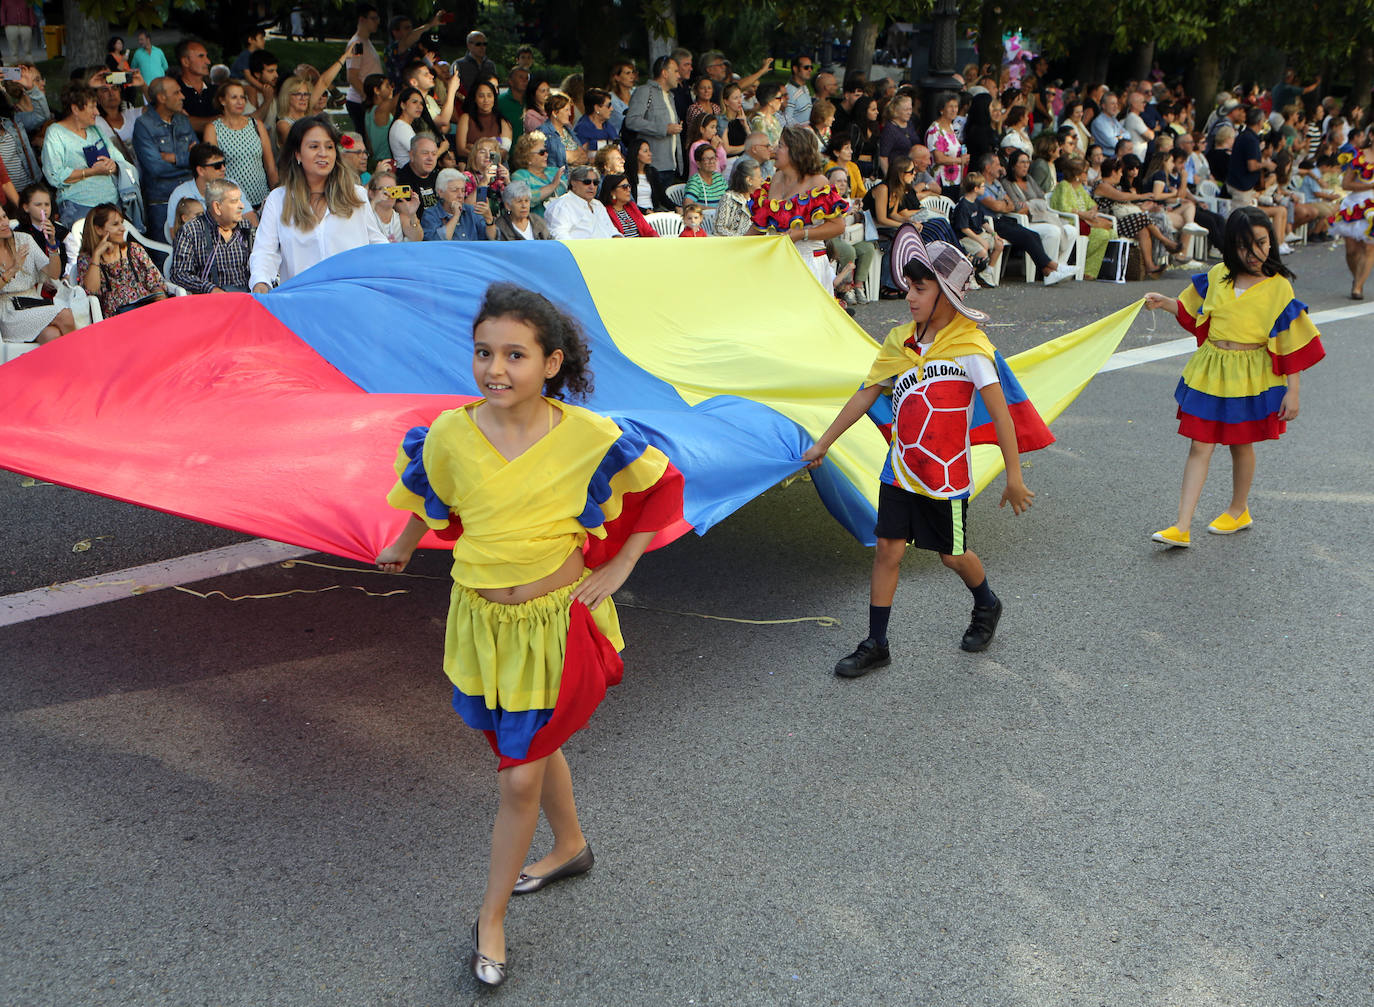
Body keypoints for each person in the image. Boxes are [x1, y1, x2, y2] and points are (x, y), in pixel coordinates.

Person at [375, 282, 682, 989]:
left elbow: (662, 489)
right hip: (482, 624)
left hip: (556, 624)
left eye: (516, 354)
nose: (495, 368)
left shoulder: (587, 435)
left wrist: (623, 567)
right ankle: (570, 844)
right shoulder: (452, 431)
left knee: (519, 773)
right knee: (533, 747)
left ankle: (489, 917)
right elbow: (433, 492)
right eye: (484, 352)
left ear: (552, 362)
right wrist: (402, 541)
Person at [801, 237, 1041, 674]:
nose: (909, 297)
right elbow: (865, 394)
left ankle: (987, 603)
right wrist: (824, 443)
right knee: (888, 550)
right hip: (900, 470)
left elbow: (1003, 417)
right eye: (908, 287)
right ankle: (876, 642)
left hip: (945, 478)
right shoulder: (898, 342)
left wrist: (1014, 476)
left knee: (952, 555)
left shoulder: (971, 348)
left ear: (946, 295)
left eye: (920, 289)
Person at [1142, 207, 1324, 548]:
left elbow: (1290, 342)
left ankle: (1239, 509)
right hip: (1211, 370)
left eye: (1261, 243)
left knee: (1241, 445)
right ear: (1230, 247)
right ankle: (1182, 525)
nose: (1254, 253)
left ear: (1271, 242)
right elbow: (1191, 310)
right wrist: (1165, 302)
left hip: (1251, 374)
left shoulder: (1278, 287)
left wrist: (1293, 392)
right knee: (1200, 443)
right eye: (1244, 246)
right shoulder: (1218, 275)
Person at [249, 116, 386, 291]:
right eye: (314, 146)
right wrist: (261, 282)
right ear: (297, 154)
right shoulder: (278, 199)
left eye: (329, 147)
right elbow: (264, 252)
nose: (323, 153)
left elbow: (377, 243)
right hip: (300, 304)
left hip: (350, 300)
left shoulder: (356, 195)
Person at [746, 125, 847, 289]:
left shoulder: (817, 182)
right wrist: (734, 246)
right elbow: (759, 226)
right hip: (779, 261)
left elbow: (839, 226)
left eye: (780, 145)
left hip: (809, 262)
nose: (774, 150)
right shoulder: (776, 179)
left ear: (796, 151)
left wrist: (803, 234)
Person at [43, 83, 136, 228]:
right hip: (79, 207)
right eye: (92, 107)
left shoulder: (95, 130)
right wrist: (91, 172)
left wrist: (114, 166)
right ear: (75, 109)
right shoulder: (56, 133)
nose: (97, 112)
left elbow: (119, 160)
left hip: (112, 205)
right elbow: (54, 175)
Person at [76, 203, 167, 315]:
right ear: (99, 230)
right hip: (117, 319)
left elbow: (155, 282)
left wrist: (159, 296)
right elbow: (91, 291)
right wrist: (96, 255)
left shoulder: (134, 250)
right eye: (115, 224)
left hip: (146, 309)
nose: (122, 229)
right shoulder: (87, 259)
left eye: (121, 223)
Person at [169, 177, 255, 293]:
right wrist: (211, 289)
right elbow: (179, 274)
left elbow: (263, 264)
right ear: (217, 207)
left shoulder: (246, 228)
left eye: (240, 200)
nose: (242, 206)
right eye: (234, 201)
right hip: (211, 304)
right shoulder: (191, 231)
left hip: (247, 299)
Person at [0, 211, 72, 345]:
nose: (5, 223)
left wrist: (52, 244)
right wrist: (14, 268)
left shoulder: (23, 239)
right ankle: (84, 359)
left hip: (33, 301)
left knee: (52, 335)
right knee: (64, 314)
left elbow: (53, 273)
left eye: (4, 216)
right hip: (8, 311)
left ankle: (63, 365)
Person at [204, 79, 276, 209]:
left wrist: (277, 195)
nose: (240, 101)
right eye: (234, 97)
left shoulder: (256, 125)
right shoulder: (213, 129)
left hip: (262, 199)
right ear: (222, 101)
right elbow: (212, 171)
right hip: (231, 203)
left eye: (243, 97)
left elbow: (270, 166)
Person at [1048, 156, 1111, 279]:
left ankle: (1088, 269)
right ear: (1077, 174)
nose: (1087, 175)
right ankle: (1082, 268)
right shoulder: (1064, 186)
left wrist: (1092, 211)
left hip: (1083, 221)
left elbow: (1091, 204)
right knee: (1102, 234)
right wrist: (1084, 215)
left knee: (1111, 232)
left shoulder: (1080, 188)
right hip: (1070, 222)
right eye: (1085, 172)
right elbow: (1063, 208)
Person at [1330, 128, 1374, 298]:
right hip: (1355, 203)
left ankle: (1358, 286)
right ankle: (1357, 278)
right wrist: (1370, 186)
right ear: (1371, 136)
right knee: (1351, 250)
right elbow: (1346, 185)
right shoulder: (1358, 156)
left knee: (1369, 248)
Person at [625, 56, 683, 180]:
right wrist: (664, 129)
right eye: (676, 71)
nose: (679, 75)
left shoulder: (670, 96)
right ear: (665, 73)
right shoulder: (645, 91)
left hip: (671, 166)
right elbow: (632, 121)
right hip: (652, 165)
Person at [825, 165, 875, 303]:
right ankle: (845, 288)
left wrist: (857, 213)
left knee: (867, 248)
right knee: (848, 251)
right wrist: (847, 212)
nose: (842, 184)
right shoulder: (826, 199)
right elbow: (828, 219)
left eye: (844, 181)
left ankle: (858, 286)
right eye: (838, 181)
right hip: (830, 237)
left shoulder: (848, 200)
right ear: (828, 182)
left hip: (849, 236)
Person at [951, 173, 1004, 282]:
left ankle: (987, 271)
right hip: (966, 237)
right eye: (983, 186)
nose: (985, 189)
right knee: (982, 252)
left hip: (978, 234)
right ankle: (970, 277)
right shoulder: (963, 206)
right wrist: (981, 241)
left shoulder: (976, 203)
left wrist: (994, 234)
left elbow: (983, 222)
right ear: (976, 188)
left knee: (999, 244)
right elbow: (964, 228)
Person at [342, 3, 384, 136]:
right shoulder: (357, 44)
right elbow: (352, 76)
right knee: (365, 139)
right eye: (373, 18)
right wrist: (368, 98)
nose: (377, 22)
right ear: (362, 20)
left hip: (368, 101)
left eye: (377, 18)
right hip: (360, 102)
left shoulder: (366, 42)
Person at [545, 165, 618, 239]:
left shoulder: (598, 205)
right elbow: (560, 237)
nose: (592, 187)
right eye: (587, 182)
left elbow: (613, 232)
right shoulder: (562, 205)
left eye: (595, 183)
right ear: (573, 183)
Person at [422, 167, 495, 240]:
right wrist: (456, 216)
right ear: (440, 192)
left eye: (463, 190)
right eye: (454, 190)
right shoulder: (430, 214)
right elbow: (437, 242)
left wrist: (489, 219)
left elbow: (493, 239)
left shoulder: (472, 211)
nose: (460, 195)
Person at [509, 131, 566, 216]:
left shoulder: (554, 171)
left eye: (546, 151)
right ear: (527, 157)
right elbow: (526, 200)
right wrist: (553, 185)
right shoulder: (520, 176)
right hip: (537, 224)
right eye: (541, 152)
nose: (546, 155)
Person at [16, 184, 68, 272]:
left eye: (47, 204)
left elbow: (71, 258)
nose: (43, 209)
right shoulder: (20, 233)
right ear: (26, 207)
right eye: (38, 205)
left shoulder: (61, 231)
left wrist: (52, 241)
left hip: (59, 279)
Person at [388, 86, 443, 169]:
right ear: (403, 105)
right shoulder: (401, 127)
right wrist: (442, 149)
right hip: (408, 175)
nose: (419, 106)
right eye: (414, 102)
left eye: (421, 103)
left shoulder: (403, 126)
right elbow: (420, 155)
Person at [457, 81, 512, 162]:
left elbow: (503, 154)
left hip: (496, 168)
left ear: (494, 98)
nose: (486, 100)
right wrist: (490, 154)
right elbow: (461, 150)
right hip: (471, 166)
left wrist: (474, 149)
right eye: (481, 96)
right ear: (475, 98)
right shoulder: (466, 118)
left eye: (489, 95)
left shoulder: (503, 122)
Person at [366, 169, 422, 242]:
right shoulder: (367, 216)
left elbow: (417, 239)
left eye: (394, 190)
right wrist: (374, 202)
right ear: (371, 193)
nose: (389, 194)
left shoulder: (401, 218)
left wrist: (412, 215)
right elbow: (361, 227)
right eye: (384, 190)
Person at [597, 172, 656, 237]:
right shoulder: (603, 211)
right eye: (624, 187)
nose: (629, 190)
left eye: (629, 186)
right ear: (612, 192)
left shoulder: (631, 206)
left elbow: (648, 231)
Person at [713, 157, 760, 236]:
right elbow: (719, 228)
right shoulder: (729, 198)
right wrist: (741, 239)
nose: (761, 180)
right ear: (749, 180)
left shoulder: (758, 199)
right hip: (733, 245)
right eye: (759, 177)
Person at [538, 94, 586, 170]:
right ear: (554, 113)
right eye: (566, 110)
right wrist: (574, 155)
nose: (570, 114)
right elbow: (564, 158)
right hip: (561, 177)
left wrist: (572, 155)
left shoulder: (568, 130)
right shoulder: (544, 133)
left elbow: (584, 156)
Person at [877, 93, 919, 176]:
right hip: (897, 172)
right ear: (896, 111)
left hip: (912, 170)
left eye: (910, 109)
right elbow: (883, 157)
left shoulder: (910, 124)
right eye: (906, 110)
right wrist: (889, 177)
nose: (909, 112)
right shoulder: (890, 129)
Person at [624, 137, 667, 213]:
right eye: (645, 151)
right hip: (636, 213)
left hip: (653, 212)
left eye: (649, 151)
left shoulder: (653, 172)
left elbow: (662, 196)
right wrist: (644, 211)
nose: (650, 154)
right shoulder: (627, 175)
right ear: (636, 154)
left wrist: (676, 207)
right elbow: (627, 202)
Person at [574, 88, 619, 155]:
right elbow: (582, 155)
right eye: (608, 105)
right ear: (597, 108)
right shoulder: (582, 128)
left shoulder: (609, 127)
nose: (612, 109)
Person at [454, 30, 497, 99]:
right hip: (466, 105)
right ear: (469, 45)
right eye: (478, 44)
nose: (482, 47)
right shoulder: (458, 64)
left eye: (485, 44)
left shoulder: (490, 65)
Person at [782, 56, 814, 127]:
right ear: (795, 69)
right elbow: (787, 120)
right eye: (806, 67)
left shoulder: (804, 87)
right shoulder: (789, 92)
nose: (810, 70)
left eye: (811, 67)